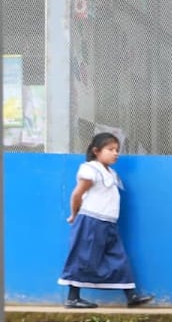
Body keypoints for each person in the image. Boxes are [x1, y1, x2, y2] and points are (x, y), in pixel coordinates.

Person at [57, 132, 155, 308]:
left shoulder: (110, 172)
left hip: (108, 224)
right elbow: (77, 194)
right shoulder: (91, 169)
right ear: (96, 151)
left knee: (119, 257)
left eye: (117, 150)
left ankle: (132, 297)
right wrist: (74, 214)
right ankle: (73, 297)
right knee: (82, 257)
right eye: (110, 149)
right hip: (91, 221)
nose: (115, 153)